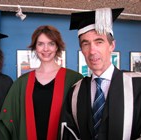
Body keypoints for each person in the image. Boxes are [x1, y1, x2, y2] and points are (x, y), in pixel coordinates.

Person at [59, 7, 141, 140]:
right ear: (82, 49)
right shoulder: (75, 92)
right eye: (86, 44)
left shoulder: (137, 85)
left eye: (99, 42)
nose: (92, 51)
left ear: (112, 45)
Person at [0, 25, 83, 140]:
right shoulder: (22, 83)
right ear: (35, 47)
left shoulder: (73, 79)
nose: (46, 49)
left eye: (51, 43)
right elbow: (7, 119)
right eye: (40, 44)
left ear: (57, 47)